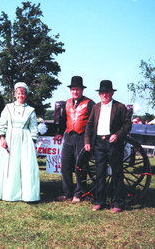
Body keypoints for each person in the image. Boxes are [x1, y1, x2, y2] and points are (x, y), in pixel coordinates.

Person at [84, 80, 132, 213]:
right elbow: (89, 125)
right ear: (99, 94)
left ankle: (118, 203)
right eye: (102, 93)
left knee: (117, 173)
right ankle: (99, 201)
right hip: (99, 143)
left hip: (114, 144)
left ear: (112, 93)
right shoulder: (95, 107)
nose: (105, 95)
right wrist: (87, 141)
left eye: (107, 92)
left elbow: (127, 125)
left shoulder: (120, 107)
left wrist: (117, 135)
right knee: (99, 173)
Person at [0, 82, 40, 202]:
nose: (20, 96)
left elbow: (33, 128)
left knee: (24, 166)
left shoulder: (30, 110)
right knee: (8, 165)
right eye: (18, 93)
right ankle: (6, 193)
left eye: (22, 94)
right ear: (15, 94)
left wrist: (32, 143)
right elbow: (2, 124)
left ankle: (27, 195)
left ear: (25, 95)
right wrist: (2, 137)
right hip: (10, 138)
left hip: (25, 139)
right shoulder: (8, 108)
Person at [55, 76, 95, 204]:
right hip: (68, 136)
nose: (75, 92)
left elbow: (93, 123)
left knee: (80, 166)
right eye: (73, 89)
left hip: (82, 137)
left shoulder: (89, 103)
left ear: (82, 90)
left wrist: (89, 140)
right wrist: (60, 133)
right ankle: (67, 193)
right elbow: (62, 120)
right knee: (65, 165)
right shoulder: (66, 103)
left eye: (77, 89)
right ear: (70, 90)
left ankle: (79, 193)